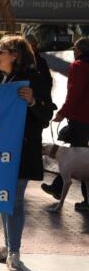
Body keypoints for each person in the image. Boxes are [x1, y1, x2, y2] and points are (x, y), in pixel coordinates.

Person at [0, 35, 53, 271]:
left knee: (14, 200)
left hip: (23, 150)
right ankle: (7, 246)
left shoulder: (34, 80)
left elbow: (46, 115)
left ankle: (15, 253)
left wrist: (33, 101)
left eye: (1, 50)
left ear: (15, 55)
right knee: (4, 199)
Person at [41, 37, 89, 211]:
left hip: (80, 118)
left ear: (80, 50)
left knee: (78, 155)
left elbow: (74, 93)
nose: (74, 51)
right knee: (80, 156)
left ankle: (62, 188)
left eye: (75, 48)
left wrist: (63, 113)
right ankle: (58, 185)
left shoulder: (78, 66)